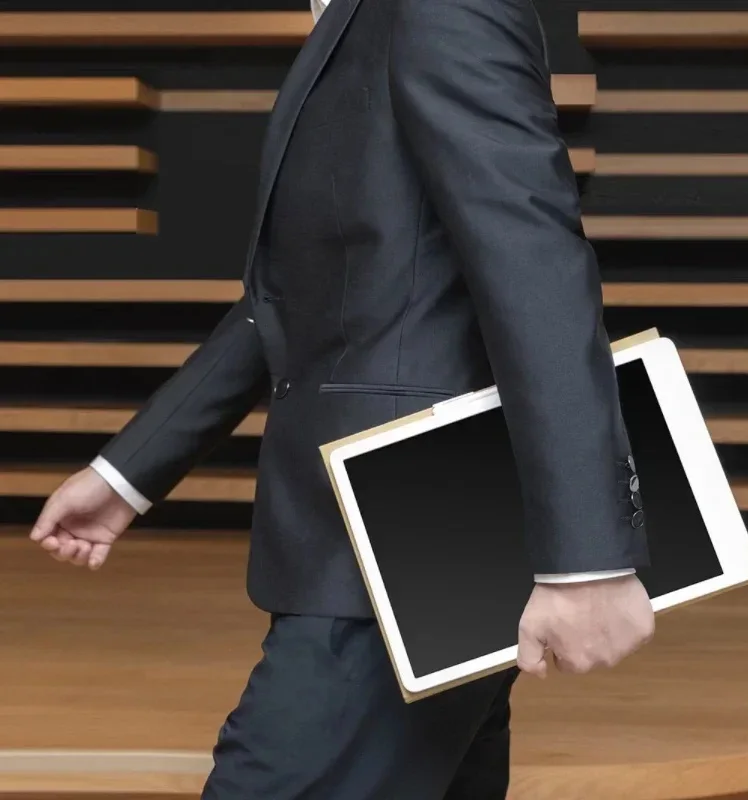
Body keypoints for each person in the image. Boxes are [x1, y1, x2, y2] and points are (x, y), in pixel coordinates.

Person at [29, 0, 655, 797]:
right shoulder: (364, 19)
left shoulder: (440, 7)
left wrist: (587, 561)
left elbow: (534, 267)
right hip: (388, 549)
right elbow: (300, 296)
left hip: (409, 546)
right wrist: (129, 474)